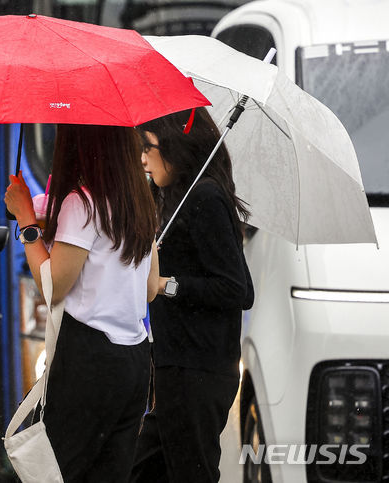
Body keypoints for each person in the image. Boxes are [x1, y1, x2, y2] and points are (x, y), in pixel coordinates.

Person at [4, 124, 160, 482]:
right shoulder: (140, 201)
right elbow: (150, 288)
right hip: (134, 363)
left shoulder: (82, 203)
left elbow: (53, 286)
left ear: (79, 142)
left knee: (59, 473)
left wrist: (26, 219)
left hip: (89, 362)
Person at [131, 107, 254, 483]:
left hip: (198, 372)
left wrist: (167, 284)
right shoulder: (173, 198)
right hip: (176, 367)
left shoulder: (205, 198)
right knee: (141, 471)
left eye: (148, 147)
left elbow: (238, 289)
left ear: (176, 146)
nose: (143, 159)